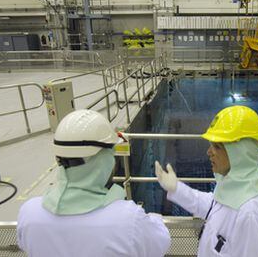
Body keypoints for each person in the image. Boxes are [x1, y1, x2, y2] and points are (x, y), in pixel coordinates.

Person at [17, 109, 171, 257]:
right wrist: (154, 219)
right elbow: (161, 243)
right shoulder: (128, 219)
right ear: (102, 161)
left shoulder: (29, 213)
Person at [155, 105, 258, 256]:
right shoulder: (238, 188)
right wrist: (176, 188)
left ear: (239, 153)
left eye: (217, 147)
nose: (209, 152)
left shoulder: (251, 214)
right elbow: (212, 205)